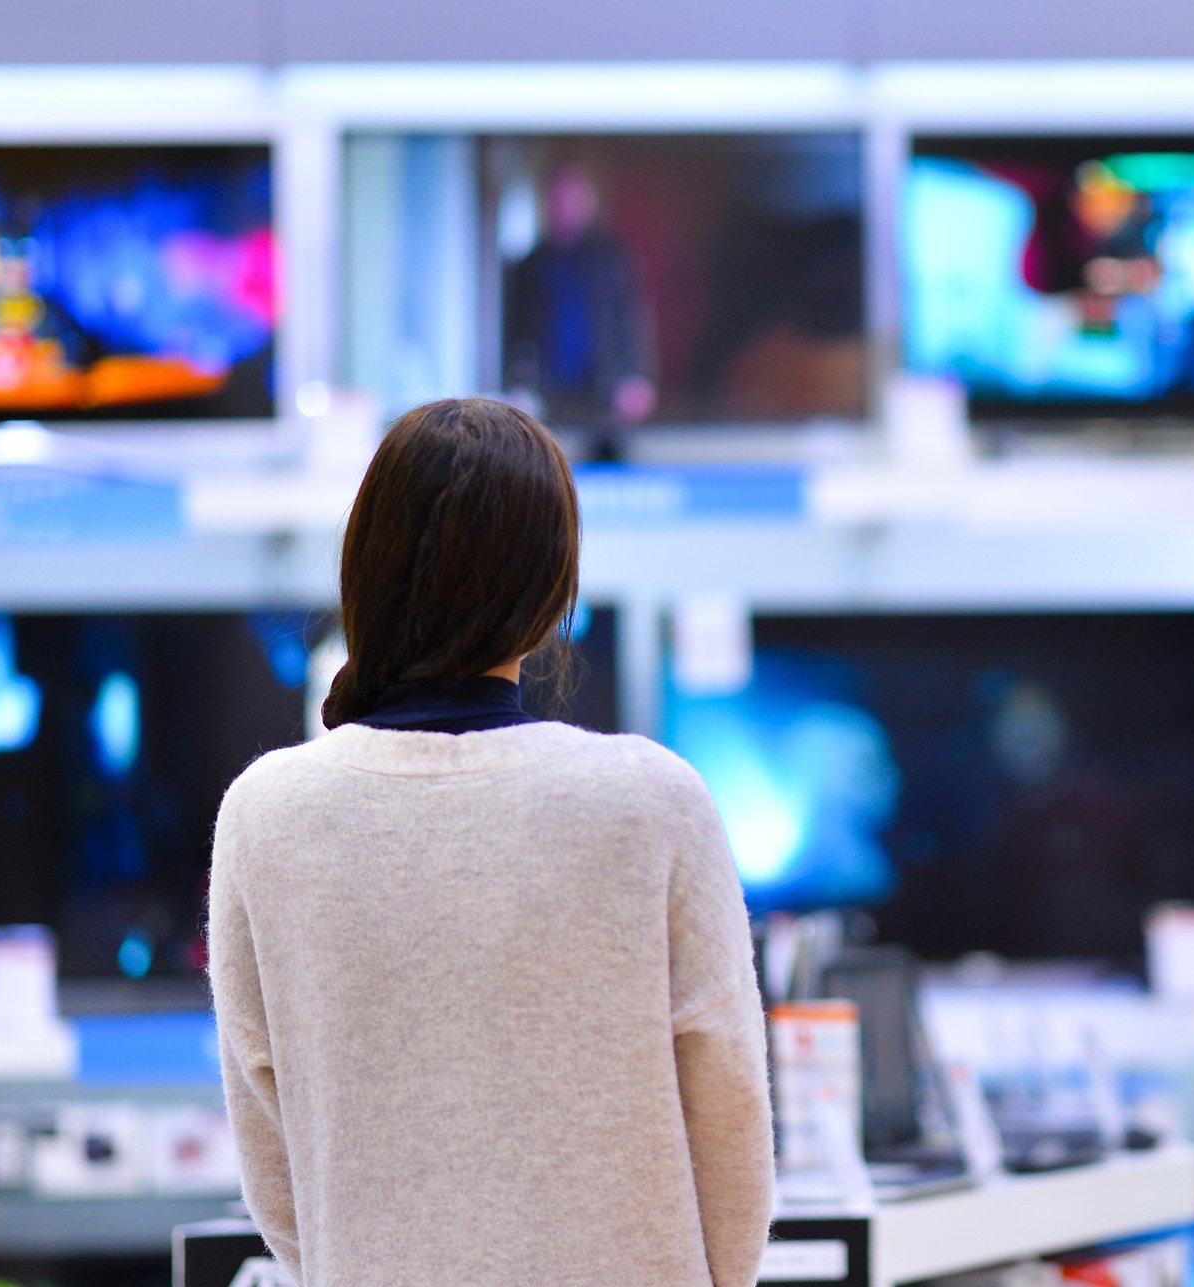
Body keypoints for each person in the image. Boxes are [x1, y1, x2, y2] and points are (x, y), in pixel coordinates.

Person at [207, 397, 773, 1287]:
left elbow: (273, 1167)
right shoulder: (650, 800)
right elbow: (730, 1109)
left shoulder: (264, 812)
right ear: (552, 589)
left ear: (365, 568)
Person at [502, 163, 657, 453]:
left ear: (587, 204)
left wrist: (636, 376)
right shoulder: (531, 265)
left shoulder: (609, 259)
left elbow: (629, 321)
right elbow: (516, 330)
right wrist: (517, 383)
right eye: (559, 200)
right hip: (548, 390)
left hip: (604, 388)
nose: (565, 208)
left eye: (572, 200)